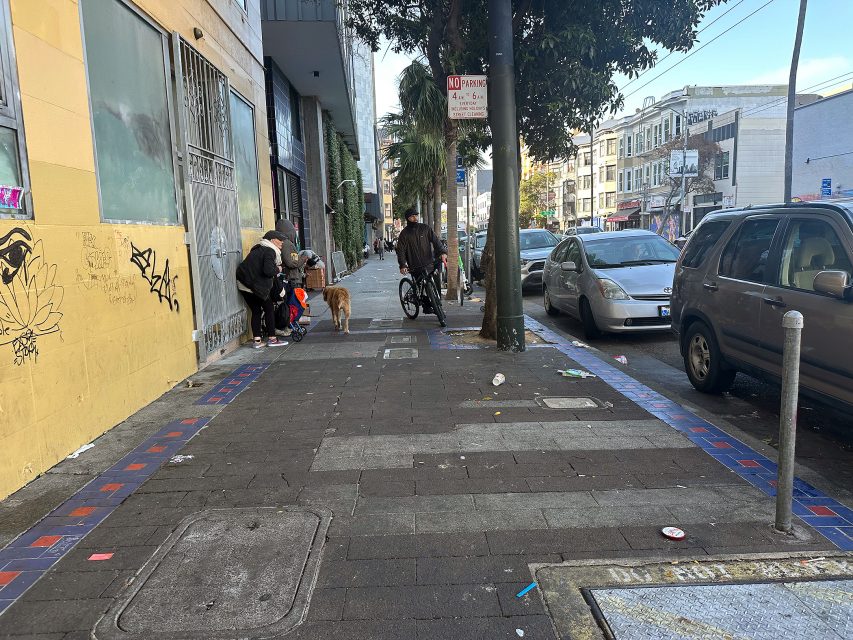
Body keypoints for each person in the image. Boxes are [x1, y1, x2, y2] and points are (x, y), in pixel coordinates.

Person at [236, 231, 289, 348]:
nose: (282, 242)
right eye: (279, 239)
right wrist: (278, 269)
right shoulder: (270, 251)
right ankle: (272, 339)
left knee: (256, 310)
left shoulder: (258, 249)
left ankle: (257, 341)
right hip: (254, 285)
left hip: (243, 284)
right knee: (269, 307)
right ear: (271, 240)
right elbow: (268, 271)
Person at [396, 208, 447, 309]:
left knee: (435, 282)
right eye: (412, 216)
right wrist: (402, 265)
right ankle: (424, 304)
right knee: (420, 287)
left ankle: (437, 303)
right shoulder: (404, 234)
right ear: (408, 218)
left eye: (416, 215)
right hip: (414, 266)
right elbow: (400, 251)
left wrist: (442, 252)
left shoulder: (425, 228)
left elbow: (436, 241)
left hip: (429, 263)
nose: (415, 218)